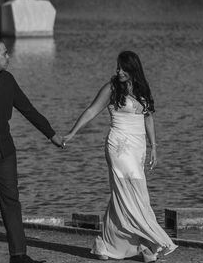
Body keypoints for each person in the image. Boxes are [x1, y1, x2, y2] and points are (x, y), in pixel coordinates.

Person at [62, 51, 177, 262]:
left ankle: (108, 246)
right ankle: (151, 242)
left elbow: (148, 118)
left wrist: (154, 147)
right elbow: (91, 111)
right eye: (118, 67)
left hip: (138, 148)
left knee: (122, 196)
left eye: (123, 68)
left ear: (133, 69)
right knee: (135, 195)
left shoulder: (142, 88)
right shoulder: (112, 88)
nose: (119, 71)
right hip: (119, 147)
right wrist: (72, 133)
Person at [0, 38, 64, 263]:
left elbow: (27, 109)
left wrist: (51, 134)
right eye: (5, 53)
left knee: (12, 202)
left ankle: (18, 255)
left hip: (5, 152)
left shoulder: (7, 80)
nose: (9, 57)